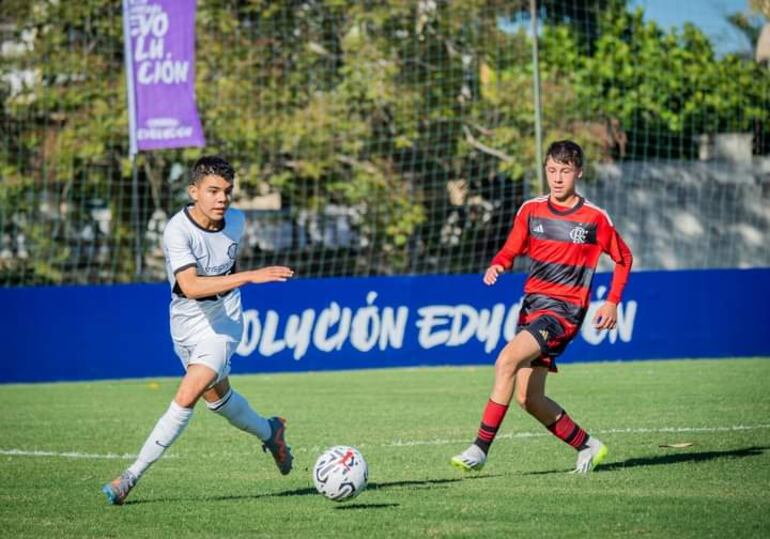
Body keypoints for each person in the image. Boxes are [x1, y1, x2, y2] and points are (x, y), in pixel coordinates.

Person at [102, 156, 295, 505]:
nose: (222, 199)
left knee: (186, 396)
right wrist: (249, 276)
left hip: (224, 325)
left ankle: (130, 477)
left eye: (227, 191)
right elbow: (189, 286)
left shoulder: (236, 220)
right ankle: (271, 431)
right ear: (194, 192)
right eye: (213, 191)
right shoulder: (177, 230)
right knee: (218, 400)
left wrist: (238, 283)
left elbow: (220, 274)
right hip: (185, 324)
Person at [451, 140, 633, 474]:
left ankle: (479, 448)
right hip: (532, 309)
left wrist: (612, 302)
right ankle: (588, 445)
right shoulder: (531, 210)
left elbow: (624, 258)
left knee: (505, 360)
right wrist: (498, 265)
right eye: (552, 170)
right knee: (528, 399)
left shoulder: (594, 218)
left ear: (578, 172)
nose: (558, 178)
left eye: (565, 171)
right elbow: (510, 249)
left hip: (563, 313)